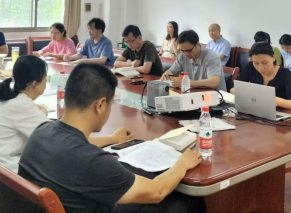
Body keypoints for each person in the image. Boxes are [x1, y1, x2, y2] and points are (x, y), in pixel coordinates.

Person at [19, 63, 205, 213]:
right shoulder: (91, 161)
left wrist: (112, 139)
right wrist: (182, 163)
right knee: (188, 200)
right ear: (100, 105)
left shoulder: (41, 132)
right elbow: (157, 192)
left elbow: (77, 144)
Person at [0, 56, 136, 172]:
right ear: (34, 84)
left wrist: (42, 111)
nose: (46, 83)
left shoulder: (9, 96)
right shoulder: (22, 106)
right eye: (45, 78)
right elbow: (68, 143)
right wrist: (114, 139)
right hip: (5, 174)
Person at [231, 42, 291, 110]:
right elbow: (233, 89)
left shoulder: (286, 74)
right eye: (256, 63)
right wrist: (249, 94)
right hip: (255, 110)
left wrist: (276, 101)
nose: (261, 68)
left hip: (280, 113)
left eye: (265, 62)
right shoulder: (250, 67)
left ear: (273, 57)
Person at [161, 30, 227, 91]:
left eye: (189, 50)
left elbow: (214, 82)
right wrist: (167, 74)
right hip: (194, 93)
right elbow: (172, 71)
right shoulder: (182, 56)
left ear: (197, 44)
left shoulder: (211, 57)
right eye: (182, 50)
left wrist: (186, 83)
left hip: (216, 96)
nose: (186, 54)